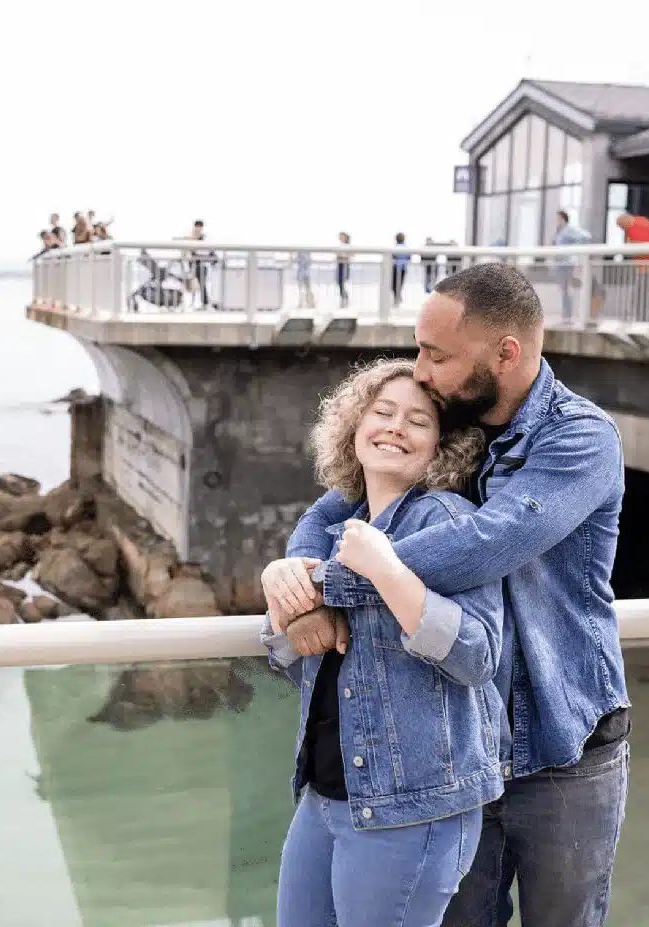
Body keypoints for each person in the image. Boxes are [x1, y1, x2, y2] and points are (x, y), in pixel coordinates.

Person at [263, 262, 630, 927]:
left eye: (437, 354)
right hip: (459, 752)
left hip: (564, 745)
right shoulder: (445, 428)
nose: (421, 369)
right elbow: (329, 513)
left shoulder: (580, 438)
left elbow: (488, 542)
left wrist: (335, 583)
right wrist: (287, 576)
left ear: (505, 354)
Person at [261, 358, 505, 927]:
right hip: (327, 794)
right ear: (354, 425)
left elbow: (478, 655)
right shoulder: (332, 526)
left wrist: (389, 572)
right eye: (383, 412)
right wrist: (281, 597)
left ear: (443, 446)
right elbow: (298, 659)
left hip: (410, 807)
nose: (396, 427)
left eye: (418, 421)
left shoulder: (446, 520)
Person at [553, 211, 592, 322]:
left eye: (557, 218)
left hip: (567, 265)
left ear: (562, 218)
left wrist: (575, 253)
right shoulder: (560, 231)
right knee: (564, 290)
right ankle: (566, 316)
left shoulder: (568, 230)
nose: (556, 221)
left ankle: (568, 317)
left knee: (567, 291)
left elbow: (586, 236)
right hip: (560, 264)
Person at [188, 219, 212, 309]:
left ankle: (204, 303)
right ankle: (194, 302)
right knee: (193, 283)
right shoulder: (192, 235)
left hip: (201, 263)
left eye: (199, 226)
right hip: (194, 262)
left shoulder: (204, 237)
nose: (198, 228)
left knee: (202, 283)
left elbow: (205, 250)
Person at [392, 233, 410, 306]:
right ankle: (398, 297)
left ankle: (397, 297)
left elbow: (392, 256)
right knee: (400, 284)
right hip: (403, 268)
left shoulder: (395, 247)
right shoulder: (406, 248)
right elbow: (409, 257)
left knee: (394, 285)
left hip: (396, 267)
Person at [336, 232, 352, 307]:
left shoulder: (348, 246)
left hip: (344, 265)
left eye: (341, 237)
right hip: (340, 265)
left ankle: (345, 297)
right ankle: (343, 297)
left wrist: (343, 256)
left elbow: (351, 255)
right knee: (339, 282)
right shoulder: (341, 246)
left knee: (342, 281)